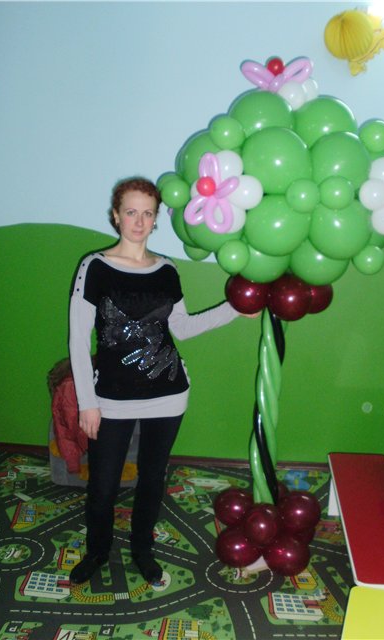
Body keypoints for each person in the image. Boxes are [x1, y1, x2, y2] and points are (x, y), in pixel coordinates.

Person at [68, 176, 256, 585]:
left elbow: (181, 327)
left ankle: (143, 550)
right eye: (131, 212)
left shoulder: (166, 269)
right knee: (102, 485)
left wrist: (234, 310)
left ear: (155, 220)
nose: (139, 221)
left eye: (147, 213)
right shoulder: (94, 267)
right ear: (116, 216)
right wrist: (87, 402)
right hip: (111, 397)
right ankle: (97, 551)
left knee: (152, 479)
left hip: (167, 393)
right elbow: (78, 339)